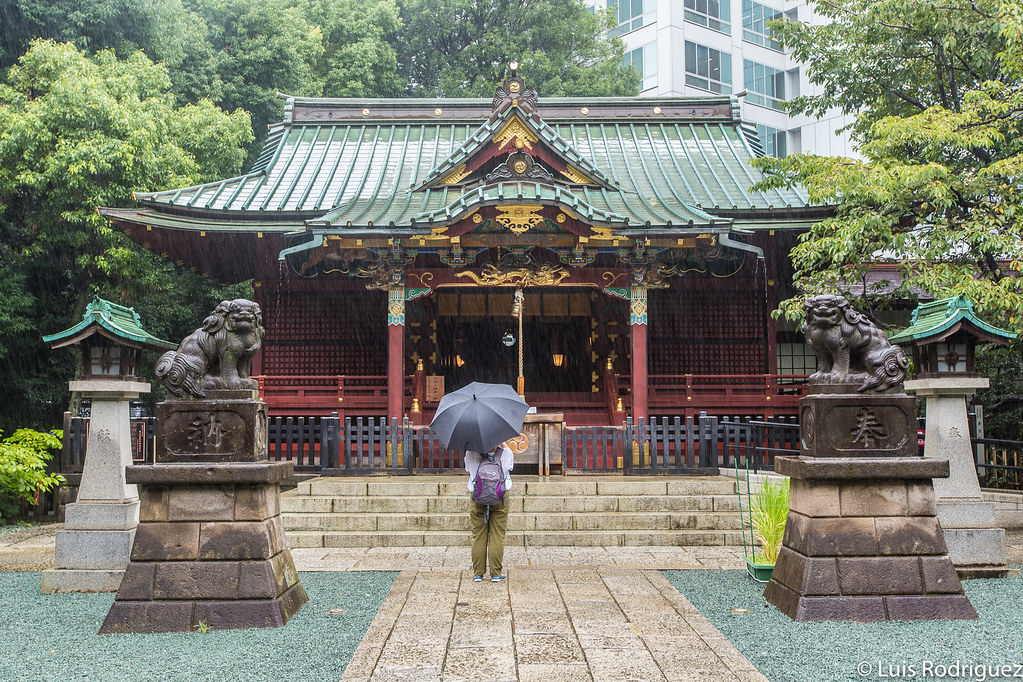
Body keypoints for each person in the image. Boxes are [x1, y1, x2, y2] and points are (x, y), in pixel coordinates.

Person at [465, 441, 514, 582]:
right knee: (497, 534)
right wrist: (503, 444)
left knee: (478, 534)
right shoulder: (506, 453)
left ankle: (478, 573)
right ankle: (495, 573)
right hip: (500, 496)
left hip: (477, 496)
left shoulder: (471, 453)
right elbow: (510, 467)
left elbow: (468, 469)